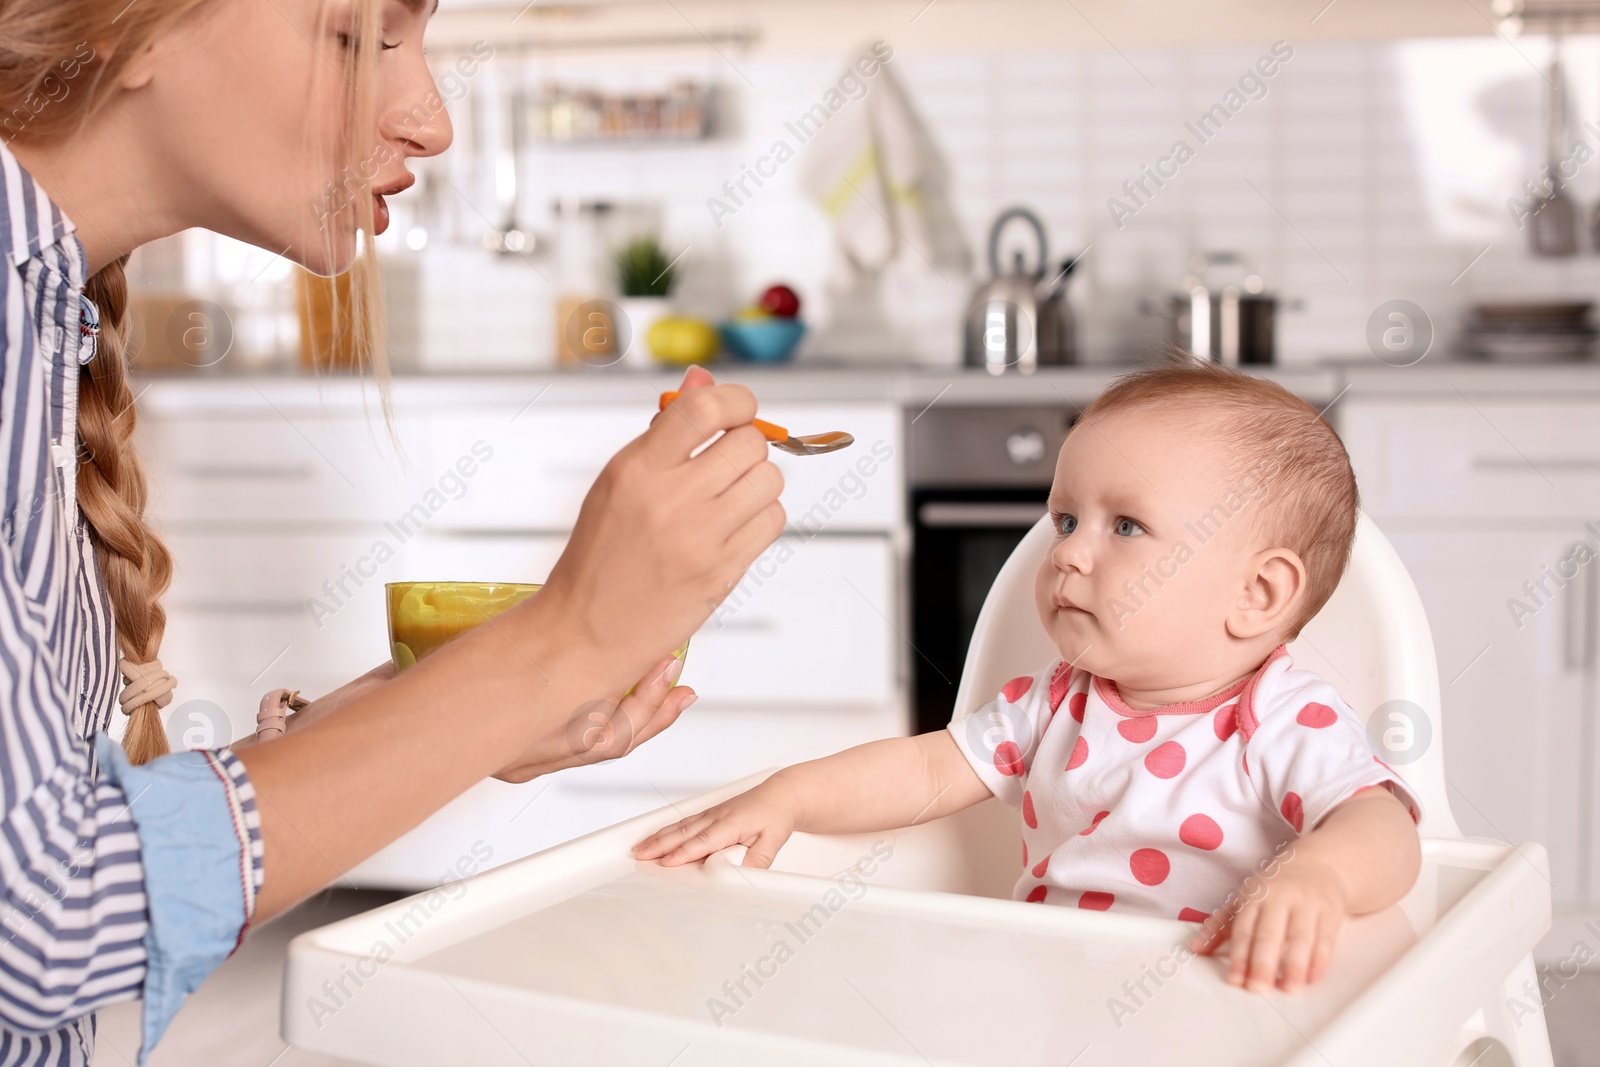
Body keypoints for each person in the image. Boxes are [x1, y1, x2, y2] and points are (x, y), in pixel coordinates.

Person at [0, 0, 782, 1062]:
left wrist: (440, 708)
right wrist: (554, 645)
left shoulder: (39, 312)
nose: (428, 119)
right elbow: (36, 924)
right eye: (359, 36)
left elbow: (43, 846)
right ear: (133, 30)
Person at [636, 360, 1423, 994]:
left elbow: (1382, 826)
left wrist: (1318, 877)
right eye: (1066, 519)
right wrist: (789, 794)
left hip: (1217, 1000)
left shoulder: (1281, 717)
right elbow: (922, 767)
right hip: (1046, 991)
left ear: (1257, 594)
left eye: (1126, 526)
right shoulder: (1053, 703)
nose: (1069, 552)